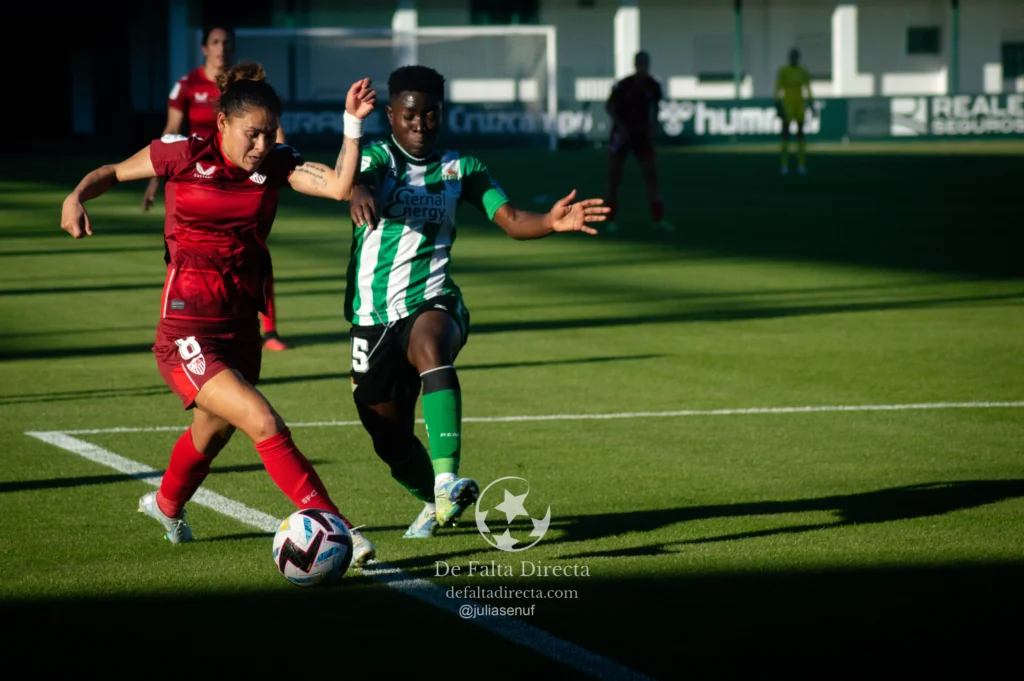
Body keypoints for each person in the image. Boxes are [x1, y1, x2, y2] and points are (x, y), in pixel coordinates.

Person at [60, 62, 380, 567]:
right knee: (263, 420)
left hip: (239, 324)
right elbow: (112, 173)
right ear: (222, 125)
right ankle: (334, 525)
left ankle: (165, 506)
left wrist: (352, 123)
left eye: (269, 133)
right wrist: (76, 196)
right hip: (186, 327)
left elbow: (341, 186)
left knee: (211, 433)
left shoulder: (277, 162)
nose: (261, 144)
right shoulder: (183, 152)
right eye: (252, 134)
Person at [346, 65, 609, 539]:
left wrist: (550, 221)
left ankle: (447, 479)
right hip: (372, 316)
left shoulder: (461, 168)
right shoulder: (377, 157)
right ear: (391, 115)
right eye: (410, 116)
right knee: (388, 440)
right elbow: (358, 179)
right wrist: (359, 191)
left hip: (435, 298)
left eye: (431, 115)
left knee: (431, 344)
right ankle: (433, 500)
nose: (421, 125)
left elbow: (510, 219)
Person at [143, 25, 291, 351]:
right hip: (198, 180)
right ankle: (187, 325)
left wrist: (278, 157)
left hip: (245, 176)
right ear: (204, 48)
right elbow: (171, 131)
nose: (222, 48)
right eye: (215, 42)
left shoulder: (249, 90)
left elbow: (270, 127)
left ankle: (269, 331)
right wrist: (156, 175)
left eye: (227, 42)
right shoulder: (187, 85)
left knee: (253, 252)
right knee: (190, 253)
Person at [604, 50, 672, 234]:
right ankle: (611, 220)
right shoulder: (623, 85)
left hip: (641, 135)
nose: (642, 66)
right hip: (622, 135)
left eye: (644, 63)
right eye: (639, 63)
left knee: (651, 176)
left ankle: (658, 219)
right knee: (614, 179)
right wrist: (621, 126)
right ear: (635, 64)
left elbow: (656, 108)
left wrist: (654, 126)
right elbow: (609, 106)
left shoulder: (653, 85)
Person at [775, 48, 814, 175]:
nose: (793, 58)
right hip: (787, 104)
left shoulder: (803, 72)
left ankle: (801, 165)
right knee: (785, 135)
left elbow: (808, 88)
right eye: (792, 56)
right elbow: (778, 87)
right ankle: (784, 165)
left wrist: (811, 102)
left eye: (795, 56)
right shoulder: (783, 71)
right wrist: (778, 103)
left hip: (800, 104)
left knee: (800, 135)